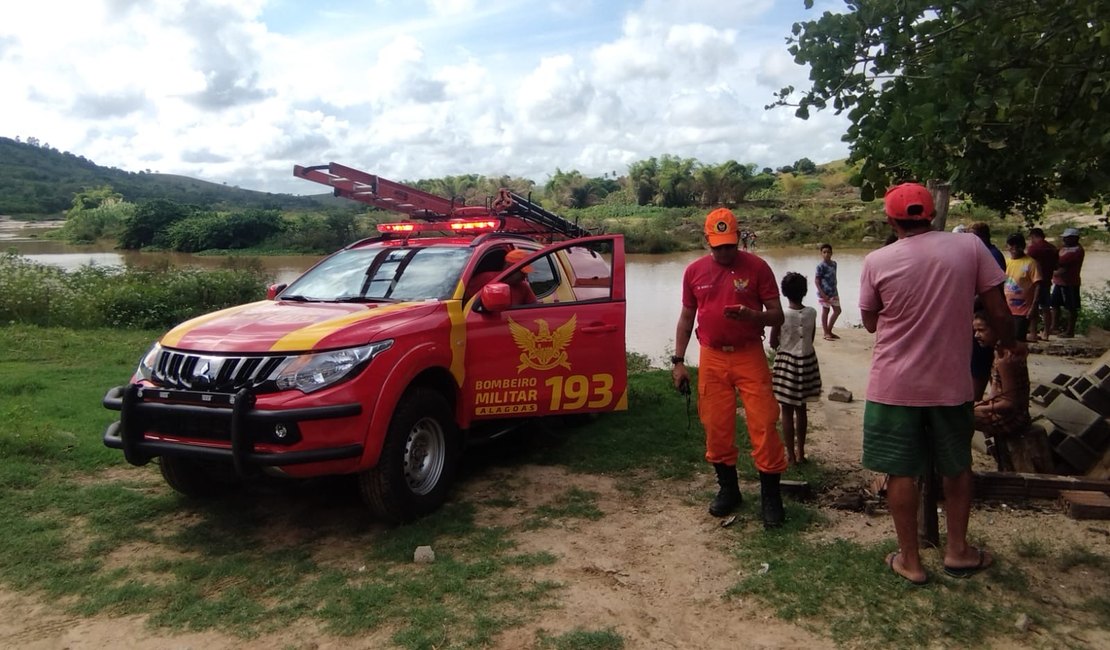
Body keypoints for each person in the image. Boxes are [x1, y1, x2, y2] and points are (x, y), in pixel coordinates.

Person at [859, 183, 1015, 585]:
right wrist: (1005, 342)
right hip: (951, 383)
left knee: (900, 473)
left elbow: (871, 322)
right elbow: (999, 310)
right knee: (958, 467)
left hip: (894, 385)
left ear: (891, 220)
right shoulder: (970, 248)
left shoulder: (877, 260)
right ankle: (958, 551)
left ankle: (910, 560)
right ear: (929, 214)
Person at [671, 208, 787, 528]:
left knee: (764, 424)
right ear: (707, 240)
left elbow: (777, 315)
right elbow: (686, 317)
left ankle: (771, 498)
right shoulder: (693, 272)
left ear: (738, 239)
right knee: (716, 426)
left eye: (729, 245)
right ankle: (729, 490)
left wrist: (753, 316)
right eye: (718, 245)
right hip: (711, 356)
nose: (724, 252)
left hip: (749, 354)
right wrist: (678, 361)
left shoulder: (758, 268)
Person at [769, 272, 822, 465]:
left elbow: (773, 342)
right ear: (805, 292)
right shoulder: (812, 313)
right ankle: (801, 452)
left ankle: (790, 454)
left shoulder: (781, 315)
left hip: (786, 364)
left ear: (784, 292)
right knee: (802, 408)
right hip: (807, 362)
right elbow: (811, 338)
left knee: (786, 409)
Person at [972, 311, 1031, 472]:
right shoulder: (998, 351)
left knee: (956, 418)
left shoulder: (1005, 359)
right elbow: (996, 393)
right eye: (975, 331)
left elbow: (1008, 404)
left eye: (982, 330)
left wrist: (975, 408)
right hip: (1006, 412)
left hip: (1013, 418)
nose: (977, 335)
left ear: (997, 329)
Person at [1003, 233, 1042, 342]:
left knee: (1018, 340)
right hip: (1006, 309)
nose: (1014, 248)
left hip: (1022, 311)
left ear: (1023, 246)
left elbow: (1038, 286)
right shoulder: (1006, 262)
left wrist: (1033, 307)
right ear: (1007, 246)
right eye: (1011, 244)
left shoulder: (1031, 263)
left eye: (1017, 245)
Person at [1025, 228, 1058, 341]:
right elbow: (1056, 266)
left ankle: (1033, 333)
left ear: (1034, 236)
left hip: (1035, 282)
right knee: (1045, 308)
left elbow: (1027, 264)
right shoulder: (1053, 249)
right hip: (1047, 280)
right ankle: (1046, 333)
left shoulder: (1034, 249)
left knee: (1033, 306)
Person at [1051, 228, 1085, 338]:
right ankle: (1054, 327)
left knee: (1071, 307)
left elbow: (1060, 262)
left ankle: (1070, 331)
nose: (1065, 239)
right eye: (1065, 237)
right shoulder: (1064, 248)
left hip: (1070, 282)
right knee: (1055, 304)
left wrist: (1053, 263)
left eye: (1068, 237)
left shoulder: (1077, 251)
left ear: (1075, 238)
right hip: (1059, 281)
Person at [815, 243, 841, 341]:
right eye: (824, 252)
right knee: (826, 311)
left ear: (832, 253)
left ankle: (829, 330)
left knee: (838, 311)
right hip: (824, 293)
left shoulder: (834, 264)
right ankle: (826, 332)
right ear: (821, 254)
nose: (826, 254)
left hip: (833, 292)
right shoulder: (820, 266)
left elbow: (834, 278)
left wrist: (836, 290)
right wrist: (822, 294)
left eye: (828, 252)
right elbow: (817, 281)